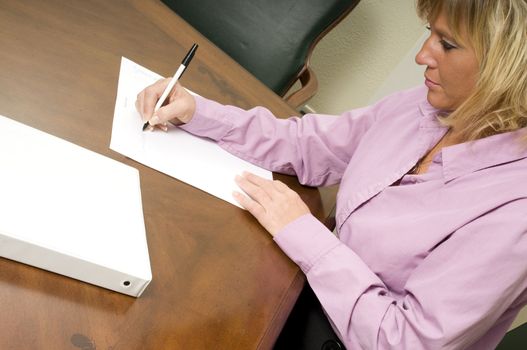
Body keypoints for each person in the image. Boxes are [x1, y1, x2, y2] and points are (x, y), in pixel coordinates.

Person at [136, 0, 527, 348]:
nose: (422, 56)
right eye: (430, 33)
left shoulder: (515, 213)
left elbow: (405, 340)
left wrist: (305, 234)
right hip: (304, 294)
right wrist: (200, 113)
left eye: (447, 43)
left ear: (507, 66)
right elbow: (311, 144)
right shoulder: (429, 104)